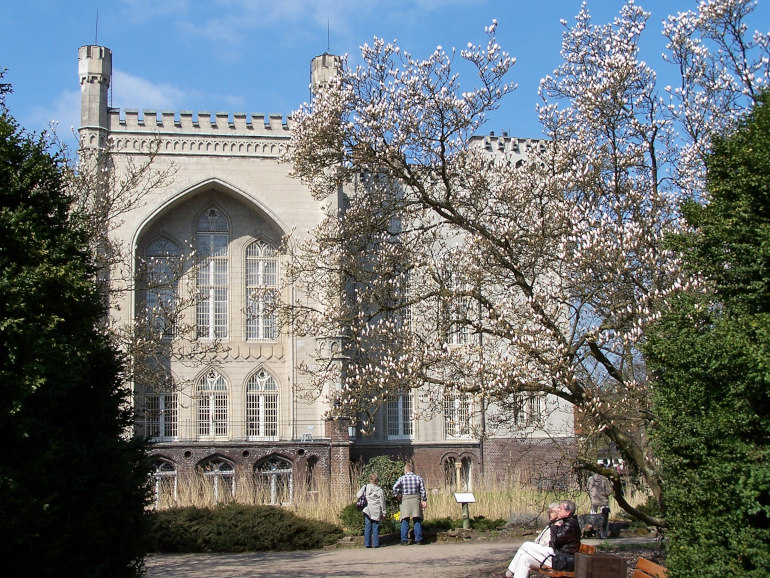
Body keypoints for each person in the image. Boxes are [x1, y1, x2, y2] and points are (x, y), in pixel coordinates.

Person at [494, 500, 581, 578]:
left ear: (568, 512)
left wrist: (554, 528)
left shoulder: (570, 525)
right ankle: (510, 574)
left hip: (560, 560)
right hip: (556, 556)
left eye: (561, 509)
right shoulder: (567, 522)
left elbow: (554, 541)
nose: (558, 510)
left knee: (526, 545)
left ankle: (509, 574)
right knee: (525, 558)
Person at [392, 463, 428, 545]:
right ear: (412, 470)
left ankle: (404, 540)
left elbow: (394, 487)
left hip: (406, 500)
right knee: (417, 519)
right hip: (416, 499)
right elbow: (423, 490)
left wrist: (398, 496)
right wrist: (424, 500)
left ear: (405, 470)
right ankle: (418, 539)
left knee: (405, 520)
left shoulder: (402, 479)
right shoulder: (418, 478)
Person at [355, 474, 387, 548]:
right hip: (376, 510)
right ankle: (375, 544)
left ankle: (367, 544)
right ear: (377, 481)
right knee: (375, 526)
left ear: (370, 479)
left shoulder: (365, 487)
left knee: (367, 526)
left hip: (367, 509)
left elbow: (358, 495)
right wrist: (384, 512)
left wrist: (365, 497)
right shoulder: (379, 490)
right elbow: (382, 502)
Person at [587, 468, 613, 539]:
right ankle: (604, 534)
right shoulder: (605, 479)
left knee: (593, 513)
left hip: (594, 500)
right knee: (605, 518)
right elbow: (609, 492)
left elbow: (588, 489)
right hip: (603, 501)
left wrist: (592, 495)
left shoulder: (590, 479)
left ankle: (592, 526)